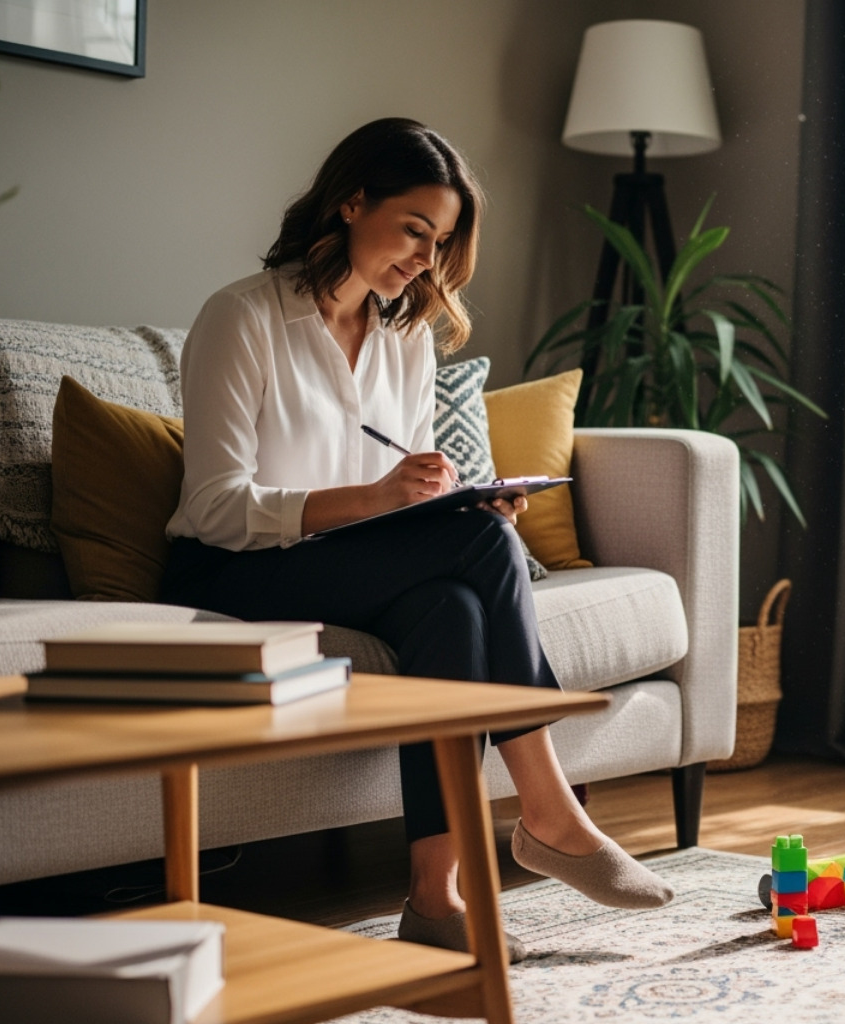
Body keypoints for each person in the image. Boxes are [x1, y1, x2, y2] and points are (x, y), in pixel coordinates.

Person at [159, 118, 673, 960]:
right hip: (229, 571)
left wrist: (449, 503)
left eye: (439, 243)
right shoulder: (241, 318)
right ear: (351, 202)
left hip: (345, 565)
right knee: (479, 554)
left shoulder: (406, 338)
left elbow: (399, 497)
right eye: (413, 230)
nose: (424, 261)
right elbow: (214, 506)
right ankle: (548, 812)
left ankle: (435, 897)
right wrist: (375, 499)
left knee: (453, 607)